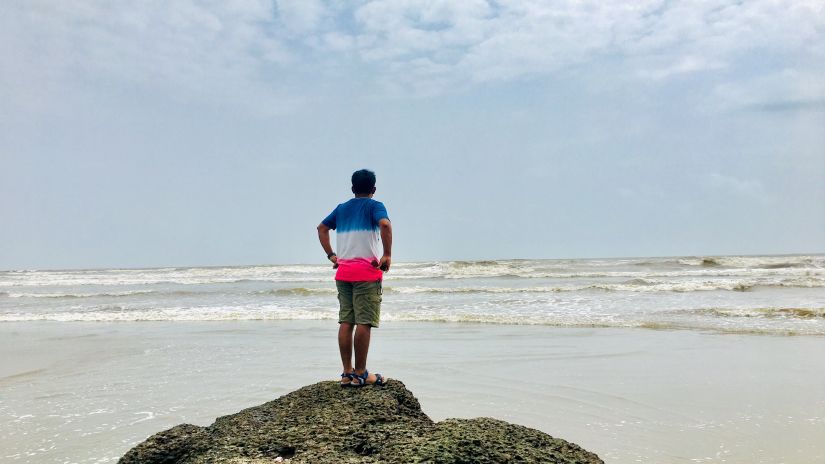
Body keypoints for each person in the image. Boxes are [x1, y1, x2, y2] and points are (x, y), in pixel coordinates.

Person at [317, 169, 392, 387]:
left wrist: (332, 255)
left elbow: (322, 228)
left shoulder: (341, 209)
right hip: (366, 273)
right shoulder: (375, 206)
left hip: (344, 272)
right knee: (364, 321)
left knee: (346, 321)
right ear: (374, 189)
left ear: (352, 189)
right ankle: (361, 374)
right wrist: (386, 254)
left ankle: (346, 373)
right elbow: (385, 225)